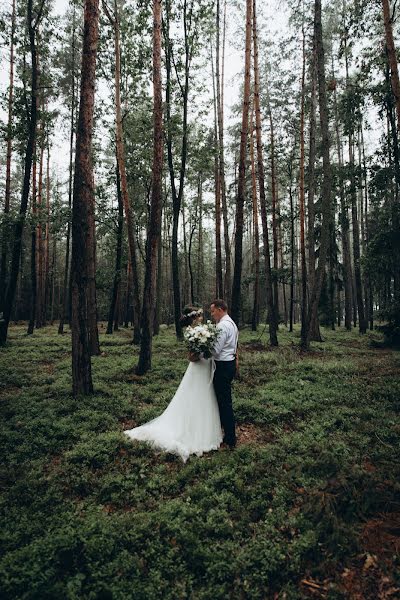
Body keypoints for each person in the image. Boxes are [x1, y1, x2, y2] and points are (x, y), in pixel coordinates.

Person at [124, 306, 223, 462]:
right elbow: (191, 356)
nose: (202, 317)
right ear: (195, 317)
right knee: (195, 397)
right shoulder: (192, 332)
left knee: (205, 397)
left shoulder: (203, 329)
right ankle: (192, 433)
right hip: (198, 368)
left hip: (205, 367)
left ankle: (205, 430)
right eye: (199, 315)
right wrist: (202, 352)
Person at [210, 299, 239, 449]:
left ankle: (230, 438)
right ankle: (227, 433)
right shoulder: (232, 324)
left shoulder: (222, 326)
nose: (212, 314)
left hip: (222, 367)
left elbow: (215, 350)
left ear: (220, 309)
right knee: (224, 400)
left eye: (213, 310)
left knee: (224, 403)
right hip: (230, 364)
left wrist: (202, 351)